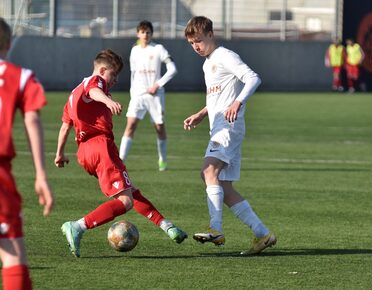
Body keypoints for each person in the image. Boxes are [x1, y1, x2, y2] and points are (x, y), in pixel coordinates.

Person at [56, 49, 186, 258]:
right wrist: (108, 101)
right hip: (100, 146)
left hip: (86, 152)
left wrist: (59, 154)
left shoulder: (73, 94)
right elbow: (94, 91)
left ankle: (166, 226)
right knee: (126, 202)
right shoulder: (96, 82)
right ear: (102, 70)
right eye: (113, 75)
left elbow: (65, 127)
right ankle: (78, 226)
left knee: (130, 191)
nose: (115, 80)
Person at [183, 16, 276, 255]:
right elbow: (218, 97)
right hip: (221, 127)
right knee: (222, 184)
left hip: (228, 127)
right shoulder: (207, 63)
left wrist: (238, 102)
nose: (196, 47)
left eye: (199, 41)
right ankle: (262, 233)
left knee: (208, 172)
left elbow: (253, 78)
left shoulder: (225, 56)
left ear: (211, 35)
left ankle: (215, 228)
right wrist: (202, 113)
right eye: (192, 43)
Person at [0, 18, 54, 290]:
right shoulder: (20, 76)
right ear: (8, 45)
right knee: (12, 256)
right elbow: (32, 120)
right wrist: (41, 176)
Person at [119, 20, 177, 171]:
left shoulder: (158, 49)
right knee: (130, 125)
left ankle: (162, 160)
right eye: (143, 32)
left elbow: (172, 69)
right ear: (138, 33)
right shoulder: (135, 50)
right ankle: (120, 161)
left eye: (148, 32)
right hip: (138, 95)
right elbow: (133, 73)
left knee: (159, 127)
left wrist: (157, 85)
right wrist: (133, 93)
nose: (145, 35)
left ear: (152, 34)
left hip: (155, 95)